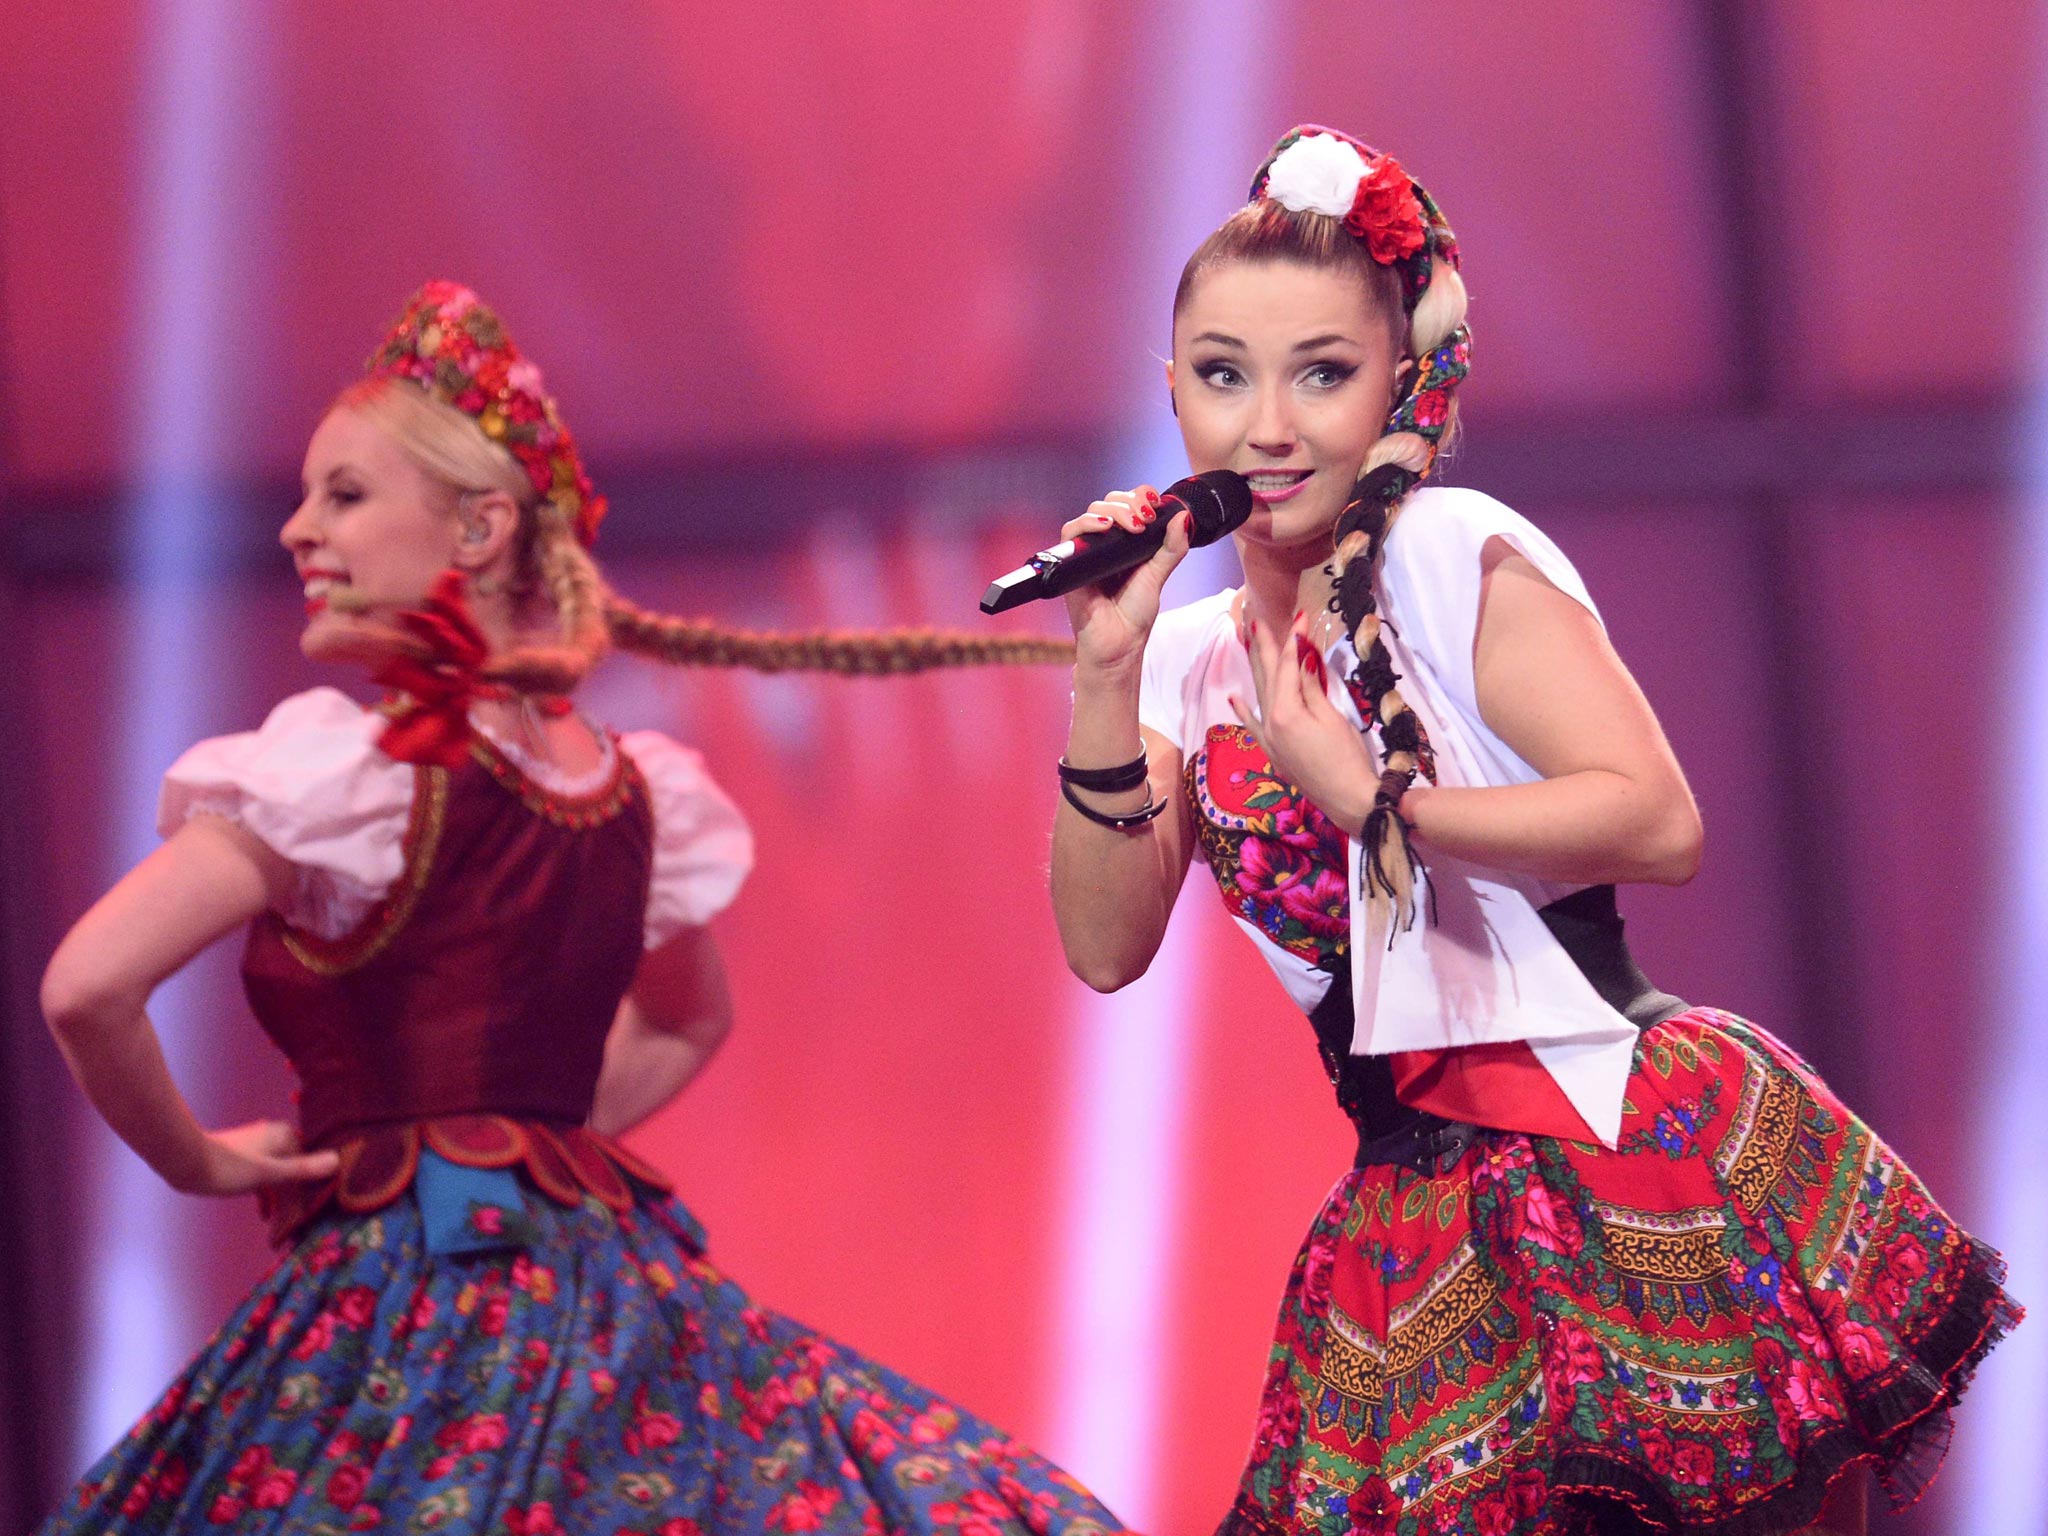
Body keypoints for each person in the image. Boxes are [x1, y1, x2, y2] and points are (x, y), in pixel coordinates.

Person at [1047, 127, 2020, 1536]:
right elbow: (1102, 948)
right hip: (1410, 1217)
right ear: (1173, 394)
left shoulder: (1447, 553)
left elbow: (1656, 819)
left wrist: (1372, 800)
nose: (1267, 426)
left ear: (1397, 383)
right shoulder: (1182, 660)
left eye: (1321, 372)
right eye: (1222, 374)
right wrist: (1097, 678)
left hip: (1623, 1145)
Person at [38, 281, 1117, 1535]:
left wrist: (201, 1160)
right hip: (607, 1295)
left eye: (343, 495)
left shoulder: (343, 772)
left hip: (406, 1303)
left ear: (480, 527)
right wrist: (519, 1135)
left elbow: (87, 987)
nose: (297, 532)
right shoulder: (622, 785)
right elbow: (682, 1024)